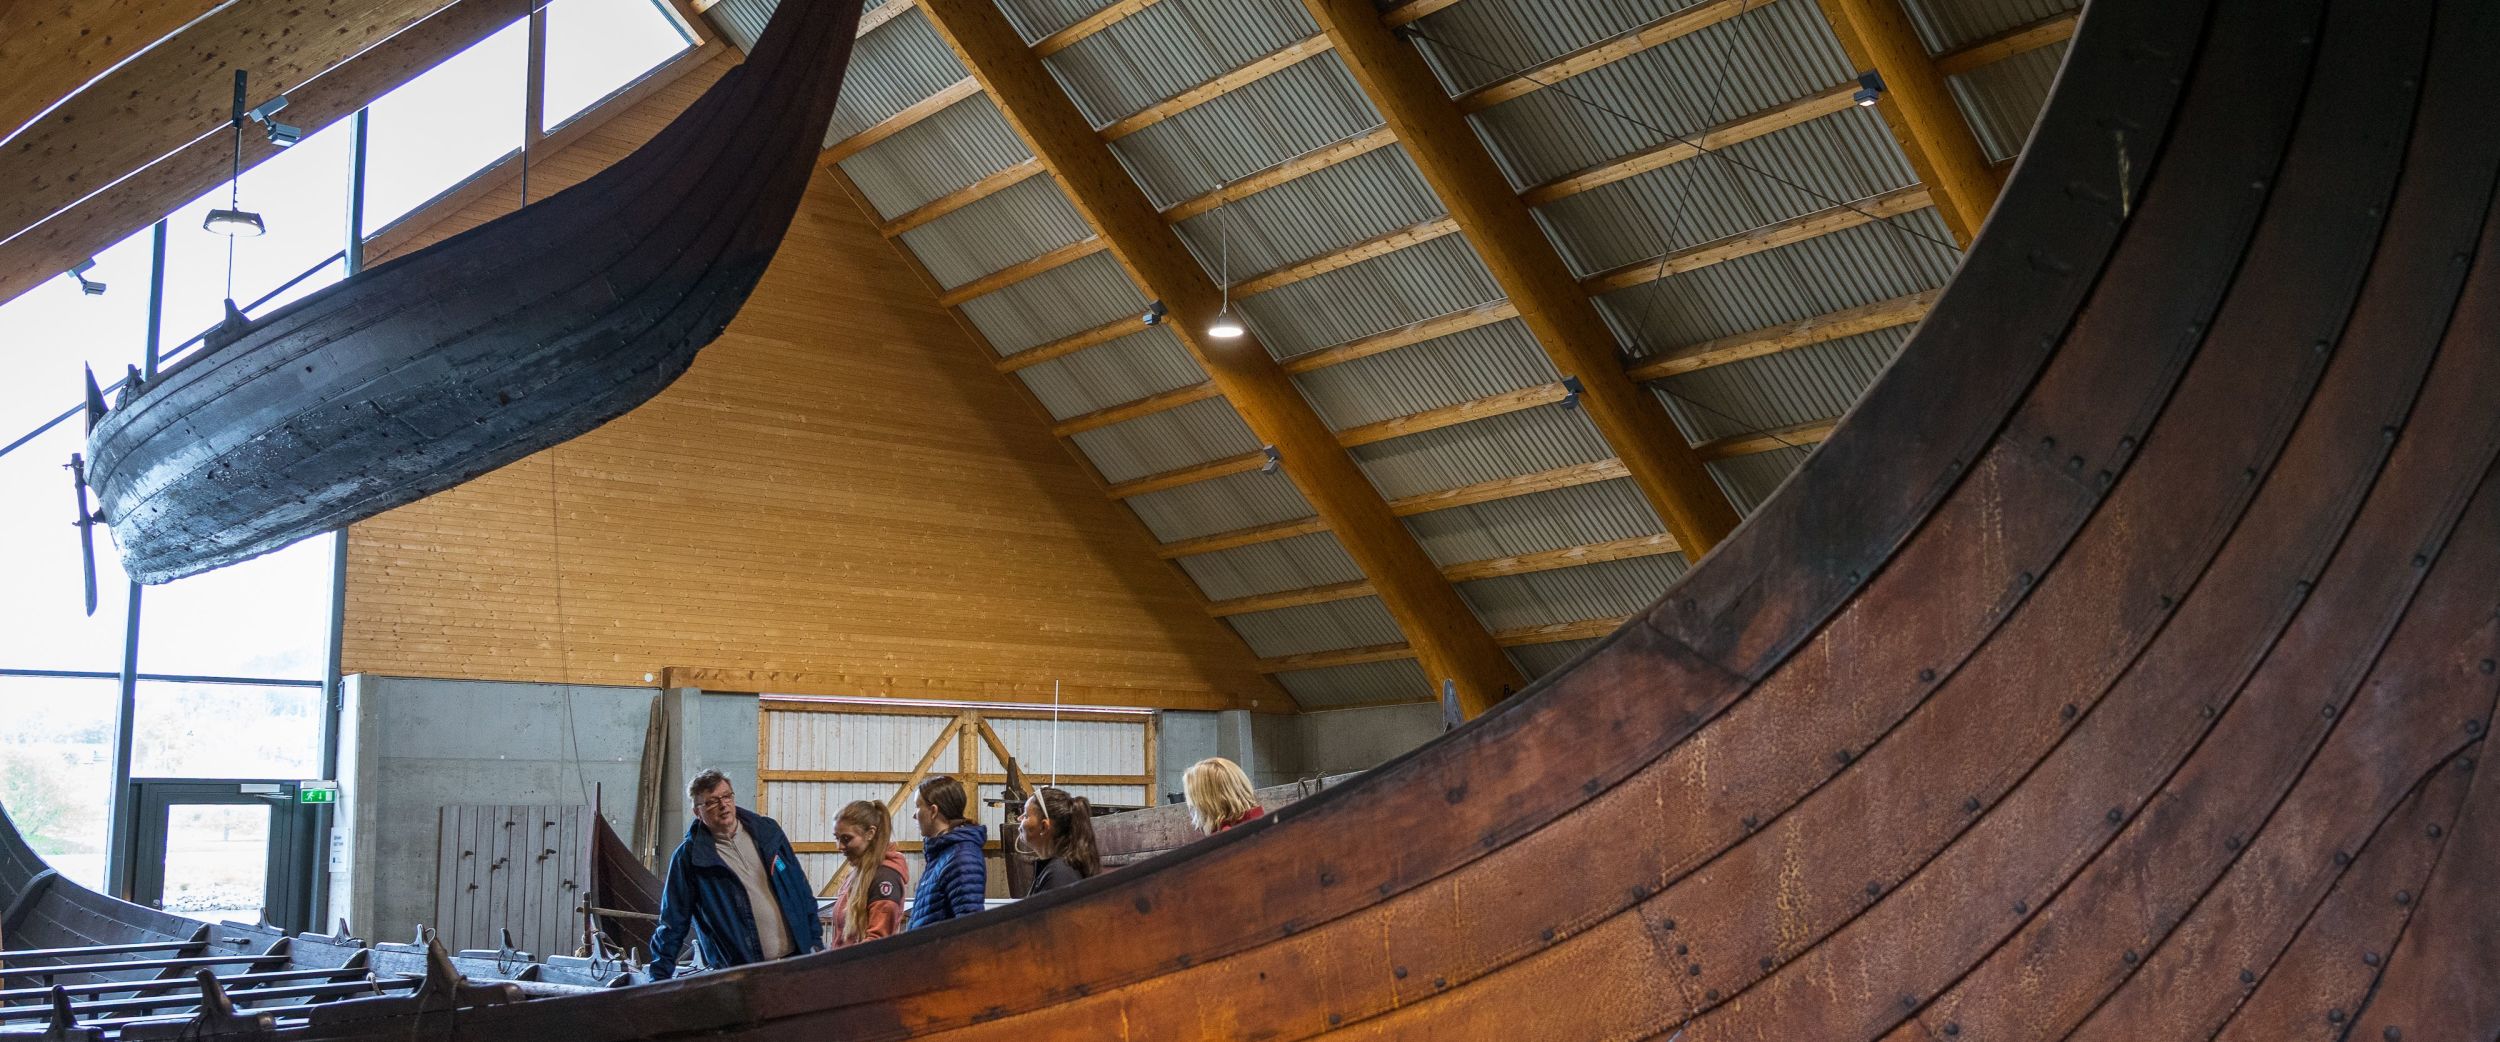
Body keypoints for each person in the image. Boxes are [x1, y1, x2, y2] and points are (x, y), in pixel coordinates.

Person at [647, 769, 821, 979]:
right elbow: (673, 922)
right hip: (743, 976)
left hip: (796, 962)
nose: (723, 805)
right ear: (697, 812)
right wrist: (658, 977)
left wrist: (815, 942)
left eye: (727, 796)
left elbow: (800, 889)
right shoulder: (689, 859)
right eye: (711, 802)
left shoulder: (768, 833)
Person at [906, 776, 987, 930]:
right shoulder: (942, 855)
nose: (914, 815)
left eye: (918, 806)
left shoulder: (962, 858)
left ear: (933, 811)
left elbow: (970, 927)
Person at [827, 800, 907, 947]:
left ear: (870, 833)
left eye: (846, 839)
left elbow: (877, 941)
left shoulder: (885, 878)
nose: (840, 846)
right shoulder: (857, 874)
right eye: (837, 838)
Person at [1018, 786, 1101, 895]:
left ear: (1044, 827)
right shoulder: (1057, 869)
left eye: (1026, 815)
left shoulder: (1059, 875)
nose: (1019, 818)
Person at [1184, 756, 1266, 835]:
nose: (1191, 805)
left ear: (1207, 803)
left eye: (1192, 798)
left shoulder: (1225, 839)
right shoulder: (1264, 824)